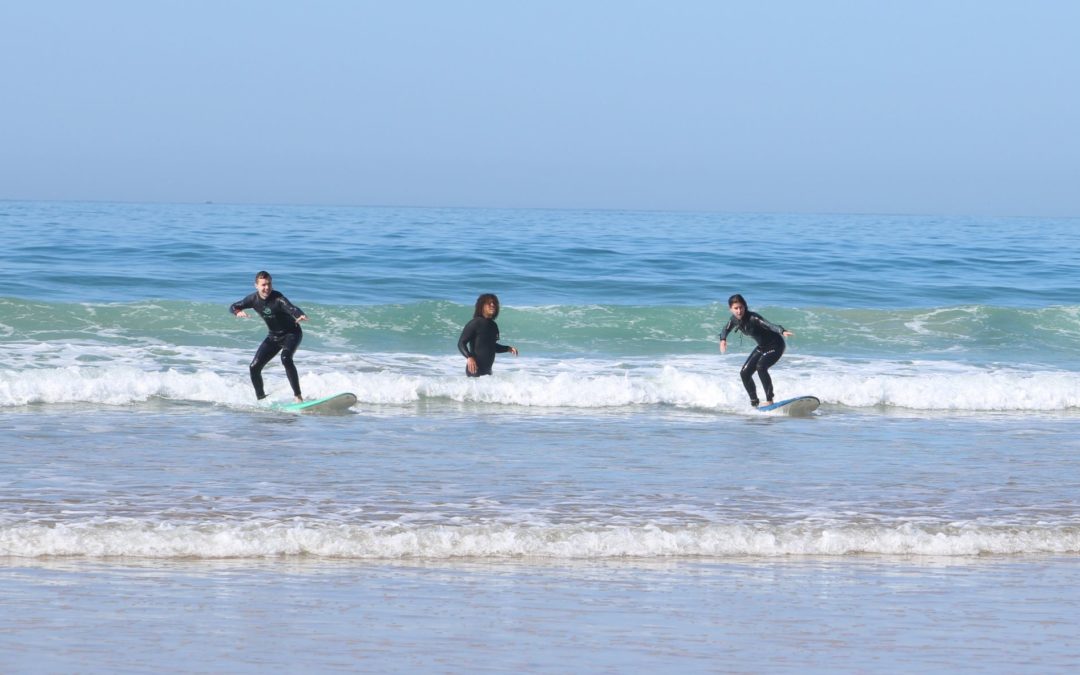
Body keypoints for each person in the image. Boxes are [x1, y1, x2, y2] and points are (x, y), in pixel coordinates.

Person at [229, 271, 308, 402]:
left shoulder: (278, 298)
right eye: (263, 285)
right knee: (254, 367)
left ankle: (298, 397)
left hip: (292, 333)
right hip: (274, 337)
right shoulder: (252, 299)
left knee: (286, 358)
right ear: (256, 286)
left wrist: (299, 314)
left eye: (269, 284)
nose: (267, 287)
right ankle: (261, 399)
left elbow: (292, 308)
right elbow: (233, 306)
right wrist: (237, 312)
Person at [718, 293, 794, 407]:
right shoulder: (734, 319)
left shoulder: (753, 318)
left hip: (776, 345)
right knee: (744, 373)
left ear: (745, 307)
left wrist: (782, 331)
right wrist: (723, 340)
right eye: (736, 308)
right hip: (762, 347)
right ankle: (754, 402)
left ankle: (770, 400)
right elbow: (726, 329)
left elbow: (769, 325)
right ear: (731, 309)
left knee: (761, 367)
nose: (739, 311)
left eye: (741, 307)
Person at [457, 293, 518, 377]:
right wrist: (469, 357)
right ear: (482, 306)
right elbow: (461, 343)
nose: (492, 305)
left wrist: (508, 348)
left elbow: (492, 346)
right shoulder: (475, 323)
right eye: (489, 303)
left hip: (487, 372)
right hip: (474, 370)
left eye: (494, 303)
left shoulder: (493, 325)